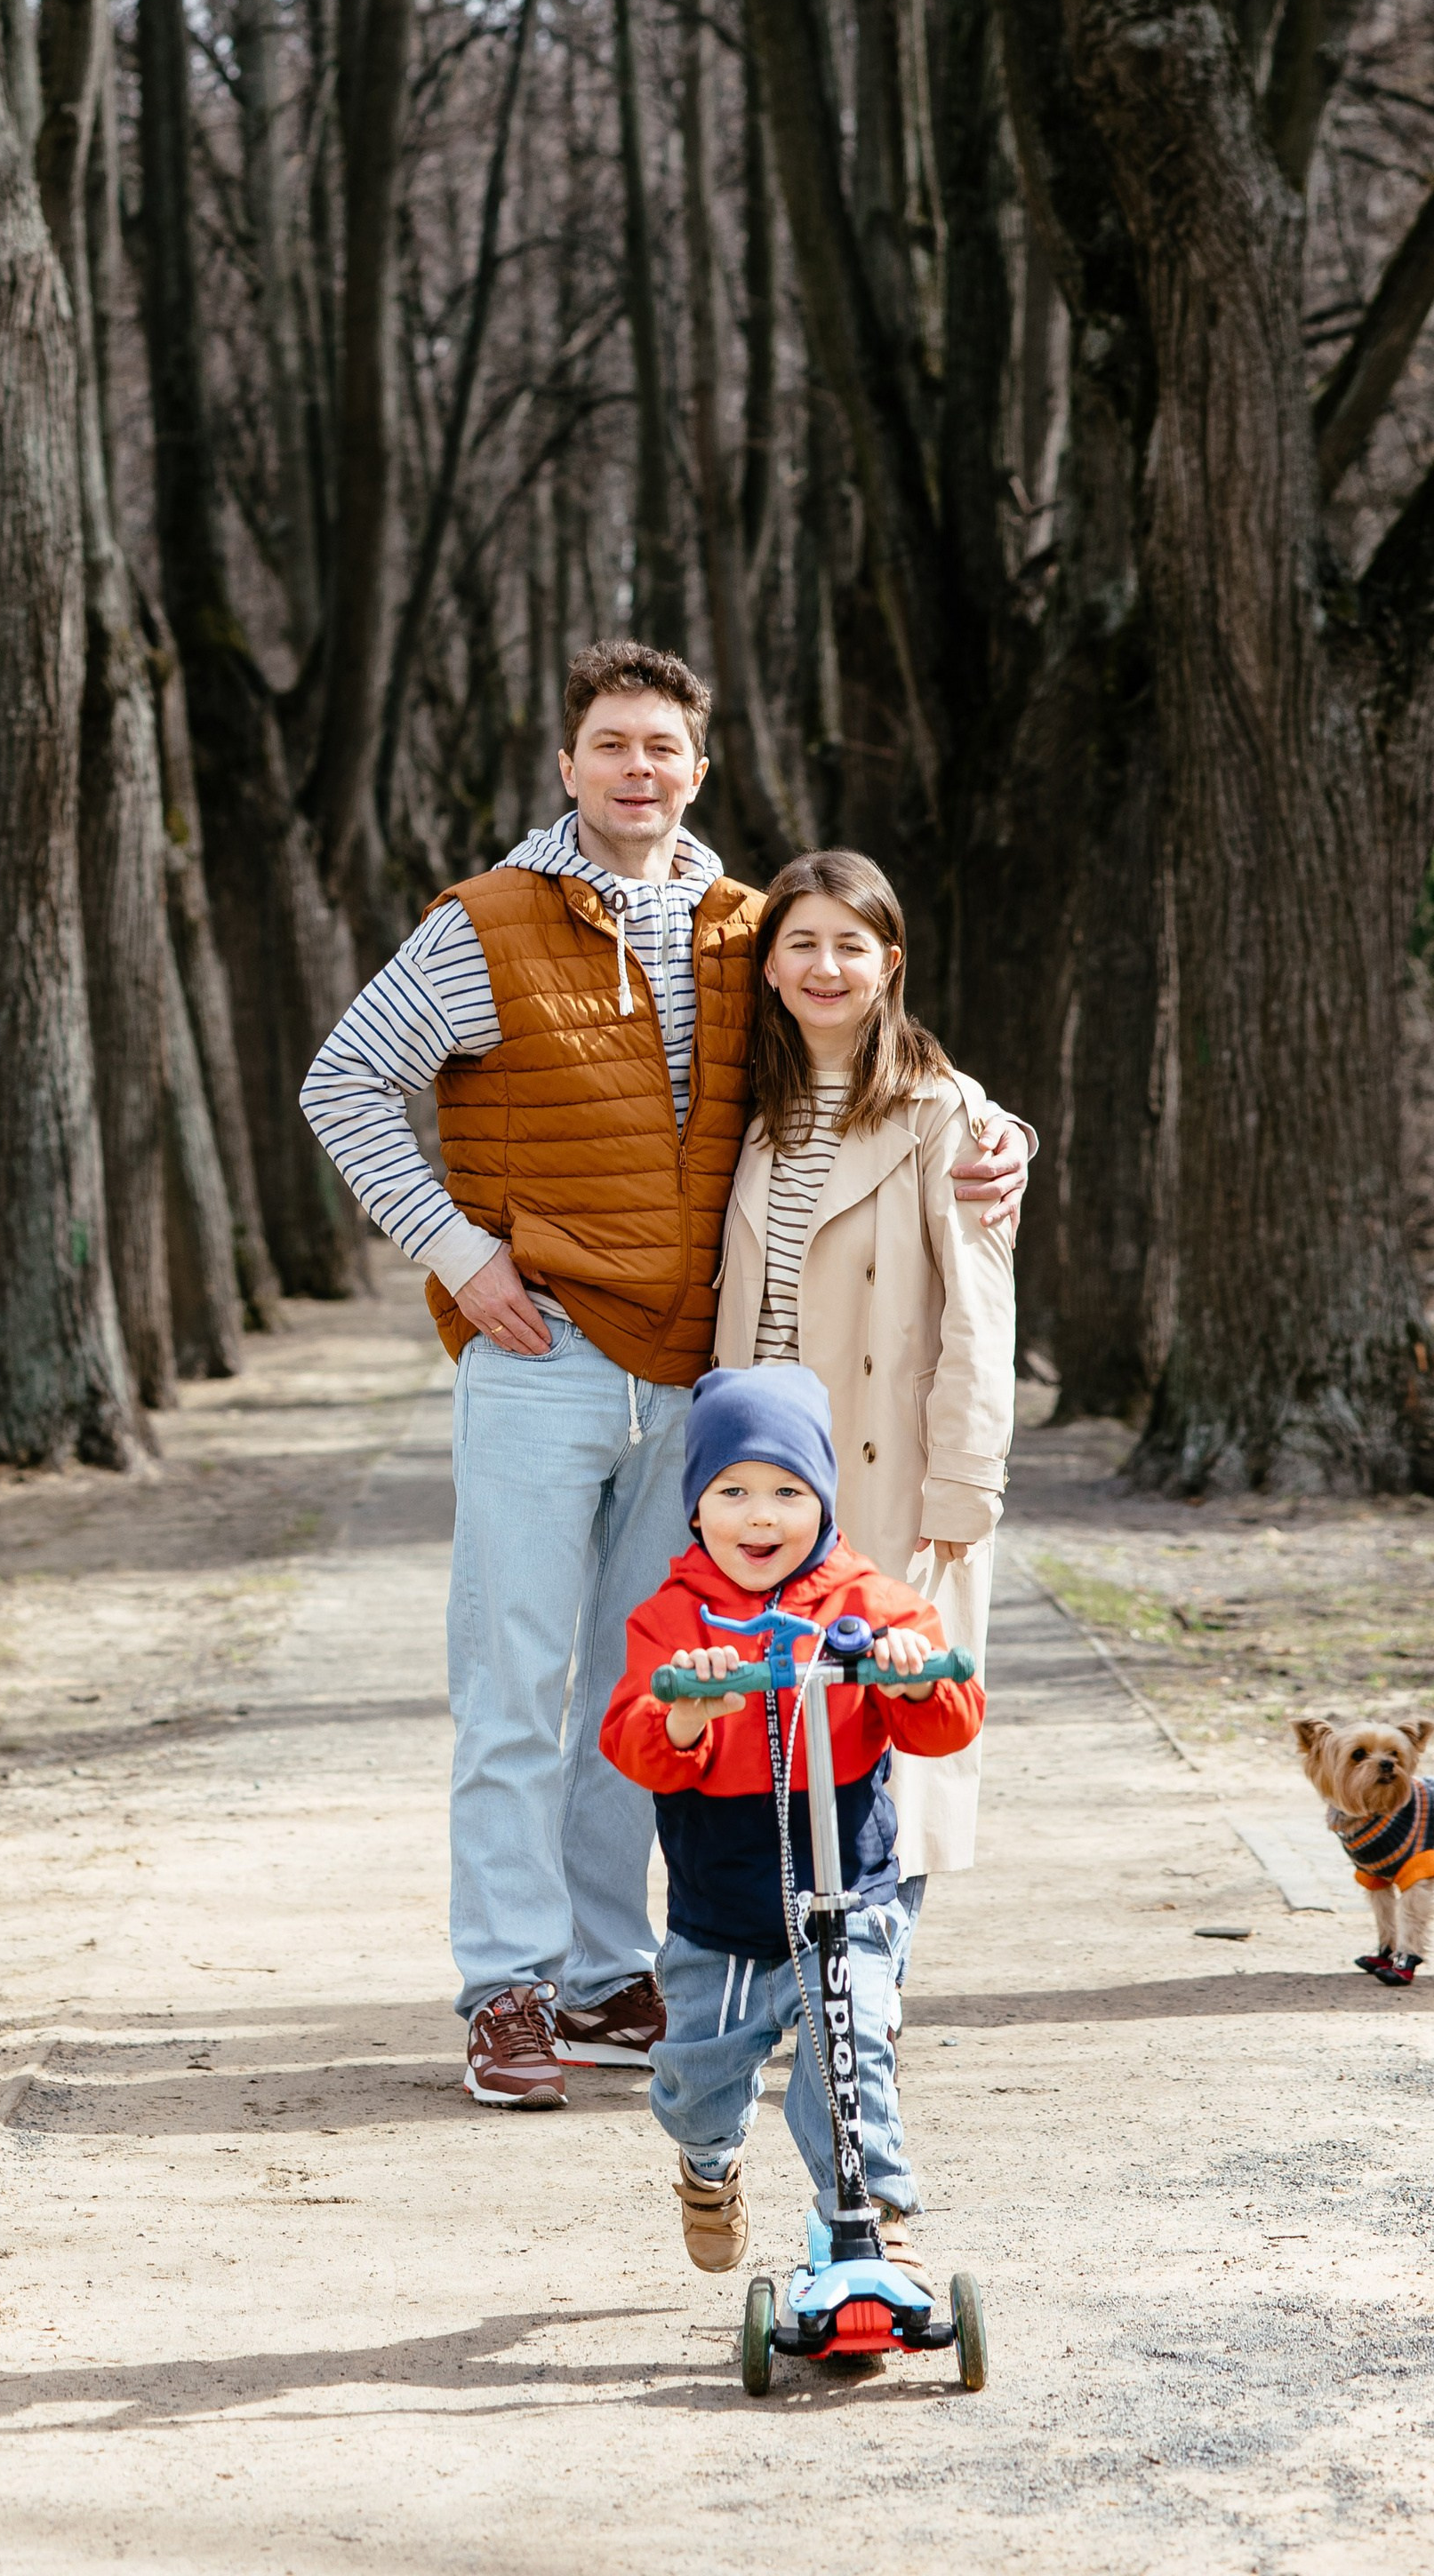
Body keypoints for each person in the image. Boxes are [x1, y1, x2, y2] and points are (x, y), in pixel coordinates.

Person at [298, 640, 1030, 2112]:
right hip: (540, 1355)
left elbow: (864, 1048)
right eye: (612, 744)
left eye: (663, 747)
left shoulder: (746, 928)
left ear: (700, 768)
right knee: (515, 1684)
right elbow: (342, 1084)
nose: (639, 768)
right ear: (567, 764)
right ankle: (506, 1988)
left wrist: (999, 1132)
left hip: (697, 1381)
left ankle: (601, 1971)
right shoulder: (483, 926)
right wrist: (458, 1255)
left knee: (651, 1683)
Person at [600, 1363, 983, 2273]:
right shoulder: (672, 1620)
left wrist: (912, 1678)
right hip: (719, 1910)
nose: (760, 1518)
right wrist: (686, 1714)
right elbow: (630, 1741)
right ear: (696, 1506)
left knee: (850, 2063)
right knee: (695, 2084)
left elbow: (949, 1724)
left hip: (845, 1897)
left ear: (825, 1499)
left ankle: (870, 2227)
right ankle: (708, 2163)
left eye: (788, 1491)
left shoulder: (872, 1605)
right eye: (732, 1492)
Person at [712, 852, 1015, 1930]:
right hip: (766, 1480)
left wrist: (966, 1483)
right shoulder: (750, 1108)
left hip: (888, 1468)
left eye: (850, 945)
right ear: (769, 965)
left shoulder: (944, 1114)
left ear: (889, 963)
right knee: (778, 1725)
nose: (825, 967)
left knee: (893, 1723)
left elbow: (981, 1311)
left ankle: (874, 1973)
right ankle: (798, 1971)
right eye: (801, 943)